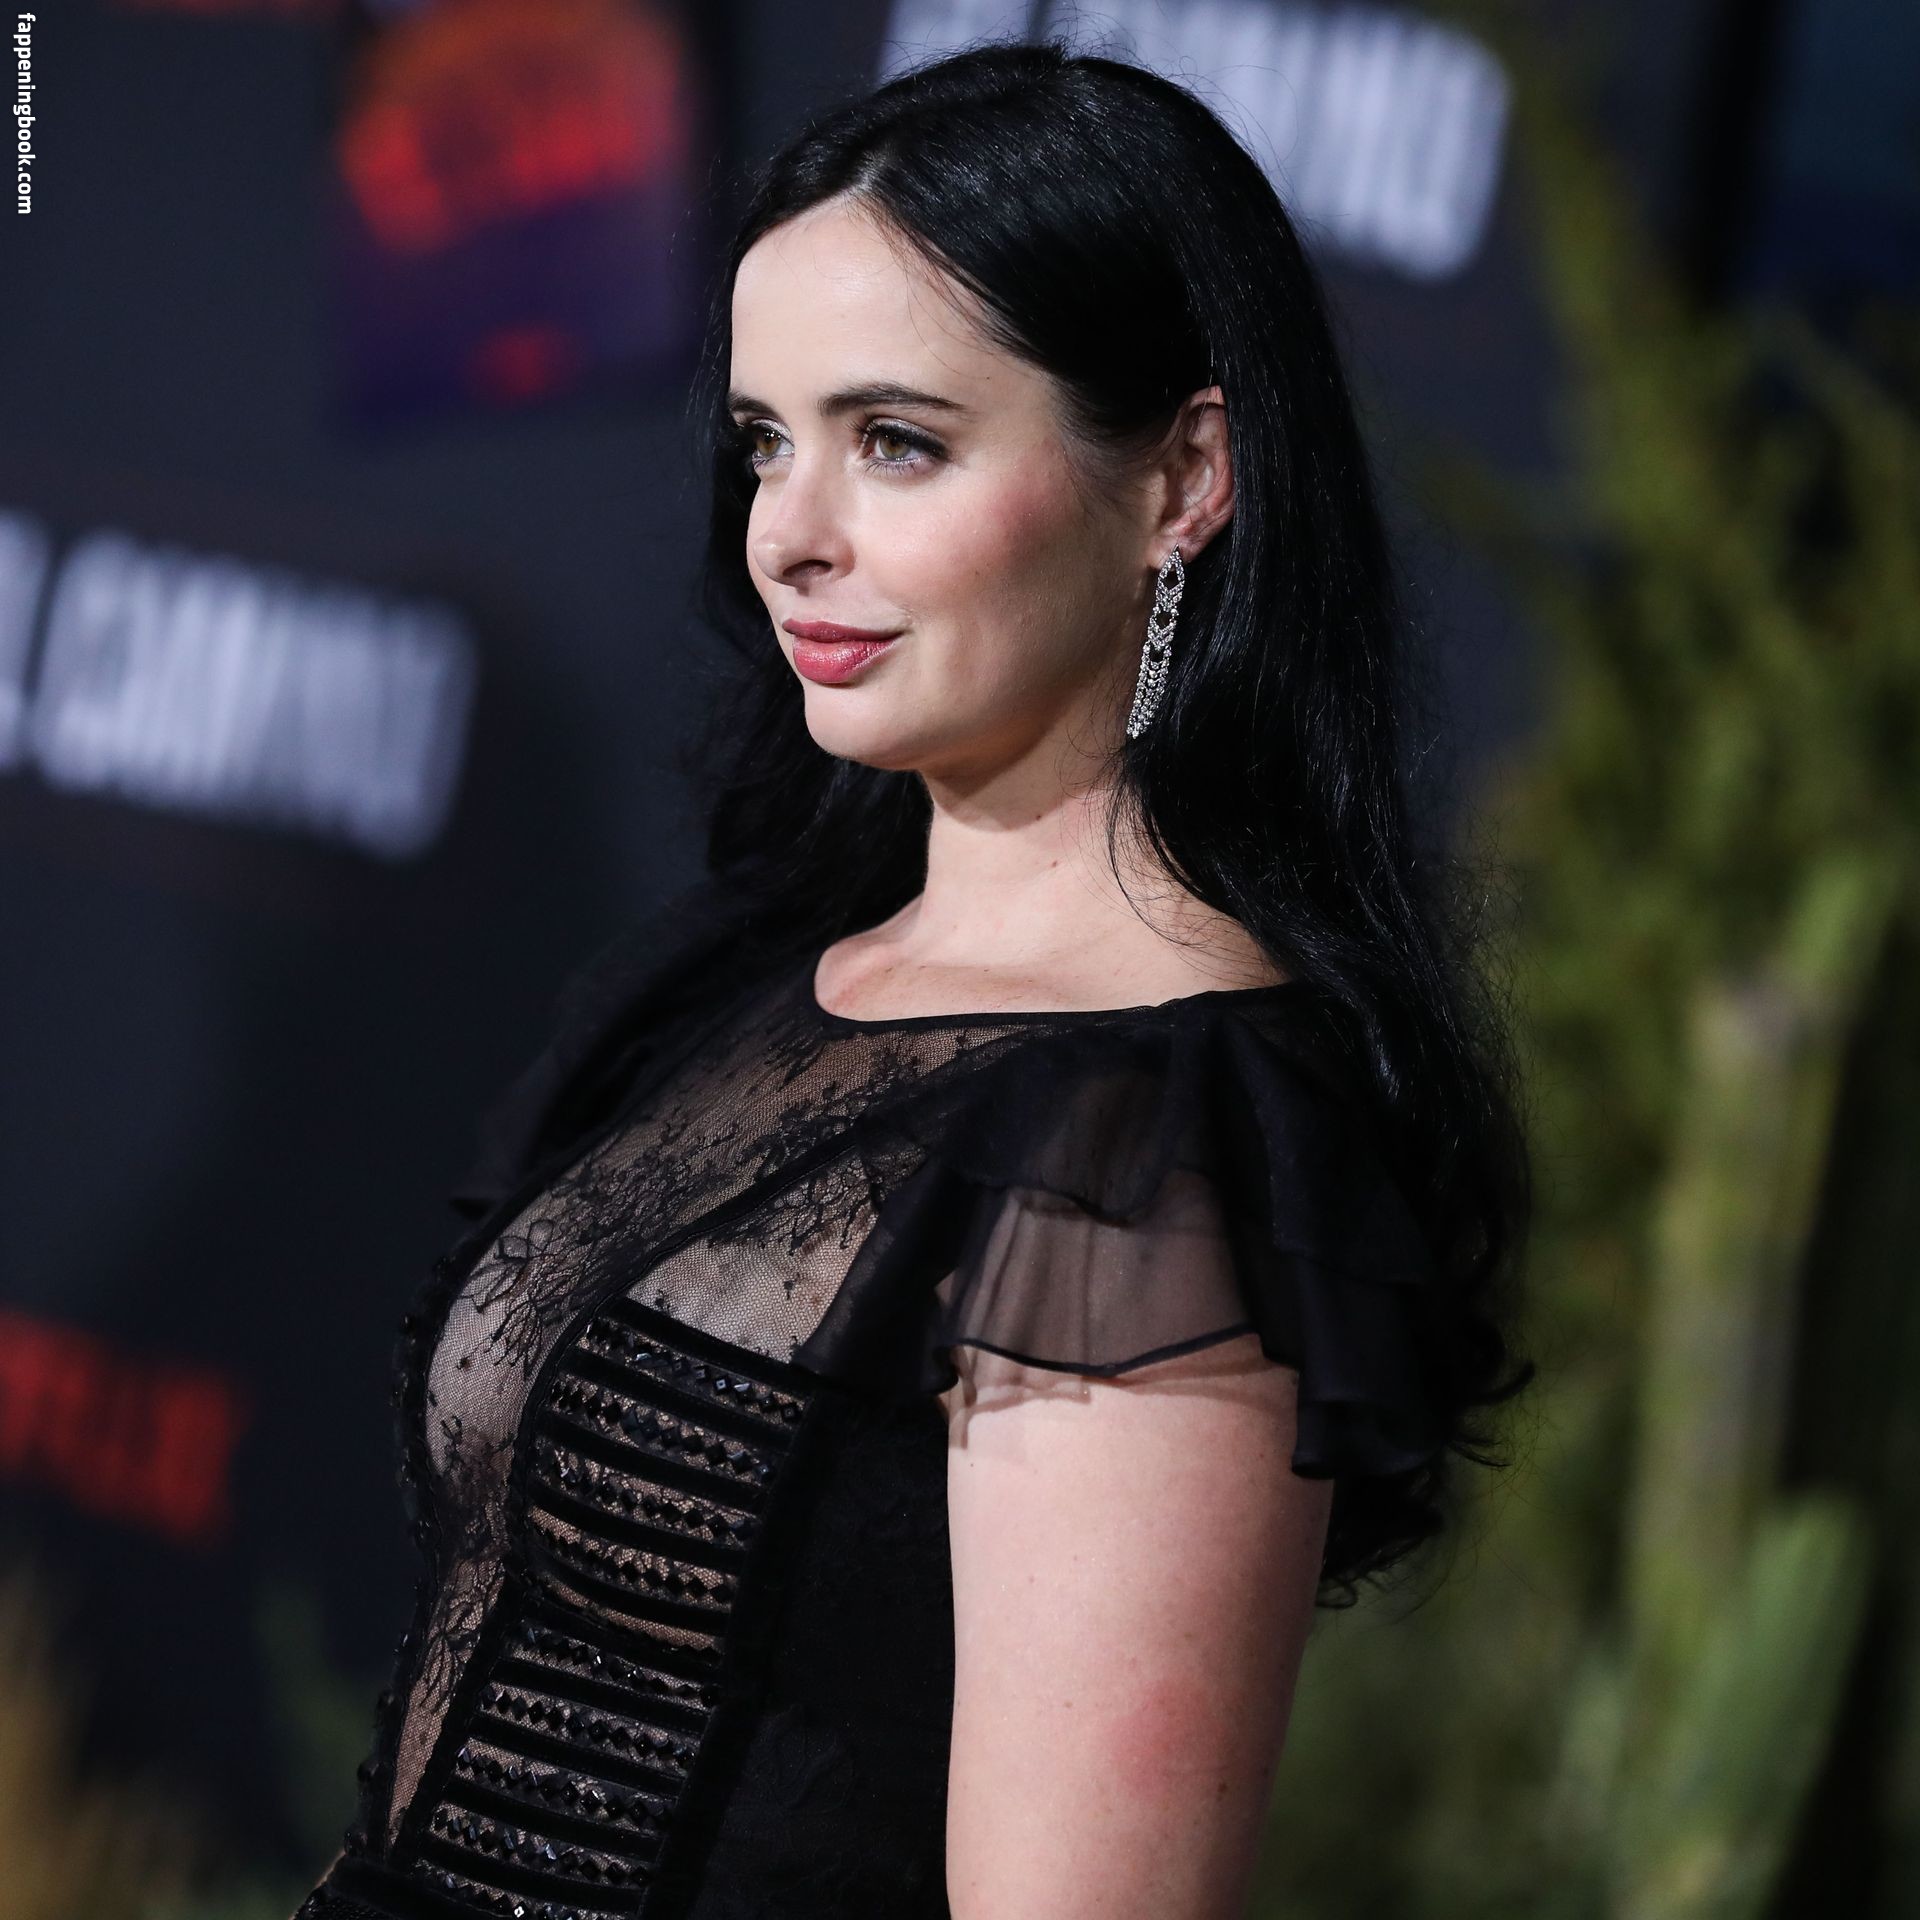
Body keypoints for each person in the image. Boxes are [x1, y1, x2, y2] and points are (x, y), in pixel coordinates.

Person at [293, 36, 1535, 1920]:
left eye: (897, 441)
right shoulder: (744, 981)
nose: (789, 534)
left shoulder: (1154, 1147)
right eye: (763, 442)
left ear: (1185, 477)